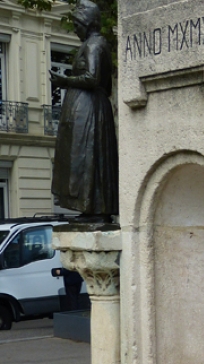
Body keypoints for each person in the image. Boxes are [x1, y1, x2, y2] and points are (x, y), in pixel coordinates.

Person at [50, 0, 118, 218]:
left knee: (88, 157)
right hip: (88, 108)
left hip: (90, 111)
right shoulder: (93, 44)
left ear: (87, 23)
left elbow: (93, 77)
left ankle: (95, 208)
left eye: (78, 25)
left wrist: (65, 80)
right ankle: (90, 208)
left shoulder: (94, 45)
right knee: (83, 159)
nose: (76, 30)